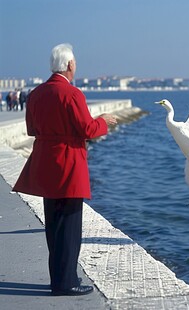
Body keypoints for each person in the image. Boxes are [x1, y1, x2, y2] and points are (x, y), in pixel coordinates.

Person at [13, 43, 117, 296]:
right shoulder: (72, 94)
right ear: (69, 65)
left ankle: (61, 277)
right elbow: (87, 130)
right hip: (69, 163)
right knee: (70, 228)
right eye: (75, 63)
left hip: (46, 162)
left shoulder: (36, 93)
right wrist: (103, 120)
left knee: (54, 226)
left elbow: (32, 129)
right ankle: (66, 282)